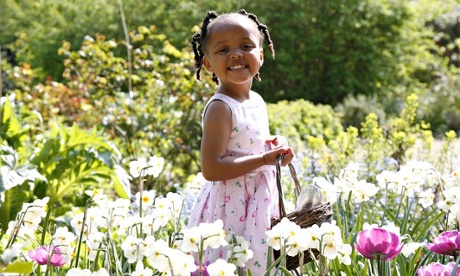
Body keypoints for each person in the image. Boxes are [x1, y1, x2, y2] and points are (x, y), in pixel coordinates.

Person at [187, 9, 295, 274]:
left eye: (246, 46)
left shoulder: (255, 101)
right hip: (231, 206)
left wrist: (275, 146)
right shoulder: (220, 108)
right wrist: (264, 160)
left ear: (260, 54)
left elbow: (252, 142)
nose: (236, 54)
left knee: (260, 263)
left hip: (258, 202)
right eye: (223, 50)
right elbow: (212, 168)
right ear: (209, 64)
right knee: (233, 263)